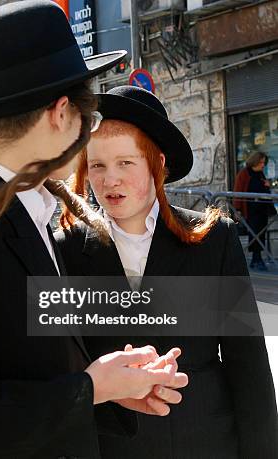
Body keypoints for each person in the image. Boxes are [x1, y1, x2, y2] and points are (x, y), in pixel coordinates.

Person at [0, 3, 188, 458]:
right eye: (92, 118)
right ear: (62, 113)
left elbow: (29, 378)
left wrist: (106, 389)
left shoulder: (35, 216)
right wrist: (88, 388)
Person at [56, 85, 278, 458]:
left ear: (158, 164)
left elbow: (248, 365)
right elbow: (61, 364)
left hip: (205, 441)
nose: (110, 179)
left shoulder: (213, 239)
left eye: (126, 163)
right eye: (97, 165)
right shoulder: (65, 249)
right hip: (112, 446)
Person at [234, 151, 277, 271]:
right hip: (250, 210)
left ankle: (257, 260)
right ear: (255, 161)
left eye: (264, 162)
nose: (263, 165)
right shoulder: (244, 173)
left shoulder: (261, 174)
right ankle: (256, 259)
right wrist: (237, 210)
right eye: (261, 162)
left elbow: (263, 189)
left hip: (262, 209)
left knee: (261, 234)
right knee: (254, 234)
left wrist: (267, 185)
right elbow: (238, 192)